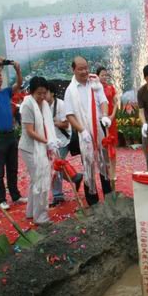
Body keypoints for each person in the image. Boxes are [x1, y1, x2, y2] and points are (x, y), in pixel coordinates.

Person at [64, 56, 112, 206]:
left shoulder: (94, 83)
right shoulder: (70, 90)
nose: (84, 71)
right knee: (89, 164)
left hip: (99, 128)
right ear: (73, 70)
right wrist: (82, 131)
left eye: (86, 67)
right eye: (80, 69)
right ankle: (93, 202)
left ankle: (109, 198)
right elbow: (70, 115)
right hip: (83, 132)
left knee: (104, 163)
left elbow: (103, 101)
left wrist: (104, 116)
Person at [19, 76, 59, 225]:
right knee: (40, 179)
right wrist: (47, 141)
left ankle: (31, 212)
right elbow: (30, 131)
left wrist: (52, 140)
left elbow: (47, 126)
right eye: (39, 93)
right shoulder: (27, 105)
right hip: (30, 148)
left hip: (41, 146)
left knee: (36, 180)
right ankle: (40, 216)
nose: (42, 97)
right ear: (31, 92)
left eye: (44, 93)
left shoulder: (44, 105)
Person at [0, 56, 27, 210]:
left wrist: (18, 70)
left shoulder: (5, 92)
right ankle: (1, 198)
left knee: (13, 168)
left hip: (11, 135)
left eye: (0, 75)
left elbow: (19, 84)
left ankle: (16, 196)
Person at [45, 82, 83, 206]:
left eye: (46, 93)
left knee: (55, 166)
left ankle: (57, 195)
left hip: (63, 141)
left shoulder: (61, 105)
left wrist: (54, 122)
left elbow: (66, 124)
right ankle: (75, 177)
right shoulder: (43, 105)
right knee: (56, 167)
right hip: (50, 142)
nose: (44, 95)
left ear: (52, 93)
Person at [97, 66, 118, 181]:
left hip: (111, 120)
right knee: (103, 147)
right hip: (100, 121)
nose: (104, 77)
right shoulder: (94, 89)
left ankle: (113, 172)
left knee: (112, 146)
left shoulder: (111, 88)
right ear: (97, 76)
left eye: (106, 75)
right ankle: (106, 172)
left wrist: (112, 115)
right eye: (102, 75)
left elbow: (115, 103)